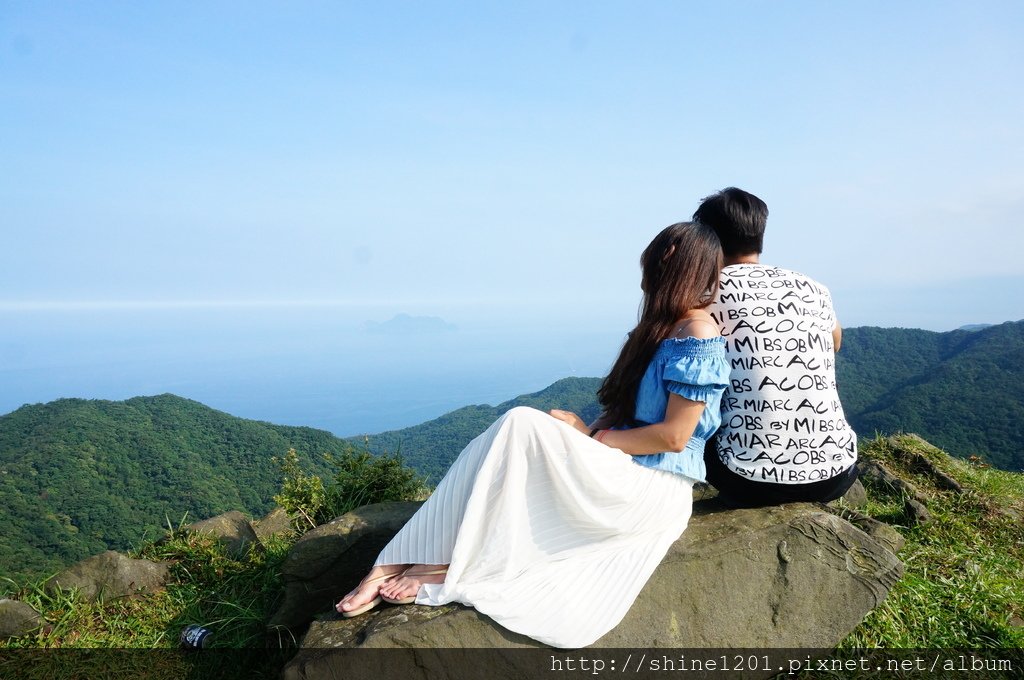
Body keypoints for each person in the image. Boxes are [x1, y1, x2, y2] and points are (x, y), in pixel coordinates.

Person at [334, 221, 729, 648]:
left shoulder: (698, 334)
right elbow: (620, 412)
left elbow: (673, 438)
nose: (649, 276)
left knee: (522, 422)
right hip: (623, 466)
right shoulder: (659, 329)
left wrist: (589, 439)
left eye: (658, 265)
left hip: (653, 487)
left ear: (681, 270)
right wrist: (587, 434)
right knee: (507, 434)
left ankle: (450, 562)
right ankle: (395, 562)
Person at [693, 187, 858, 507]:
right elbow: (835, 342)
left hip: (746, 478)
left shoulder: (704, 294)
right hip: (837, 472)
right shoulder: (812, 287)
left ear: (706, 239)